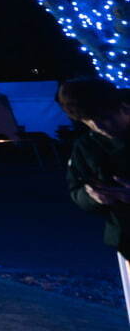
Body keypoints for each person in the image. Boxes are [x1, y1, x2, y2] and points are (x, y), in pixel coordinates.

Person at [58, 78, 130, 260]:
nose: (99, 126)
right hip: (125, 239)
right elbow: (75, 189)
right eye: (88, 121)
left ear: (123, 108)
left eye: (105, 118)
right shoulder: (86, 146)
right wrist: (92, 197)